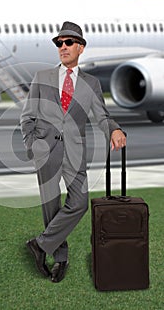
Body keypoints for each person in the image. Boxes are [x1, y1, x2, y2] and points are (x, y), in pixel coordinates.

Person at [20, 21, 126, 283]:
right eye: (59, 43)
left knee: (79, 203)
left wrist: (113, 129)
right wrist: (32, 145)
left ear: (80, 47)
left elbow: (102, 116)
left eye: (68, 43)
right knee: (51, 207)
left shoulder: (91, 83)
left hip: (76, 152)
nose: (63, 47)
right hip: (46, 150)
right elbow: (27, 117)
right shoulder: (42, 77)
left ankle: (40, 244)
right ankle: (61, 258)